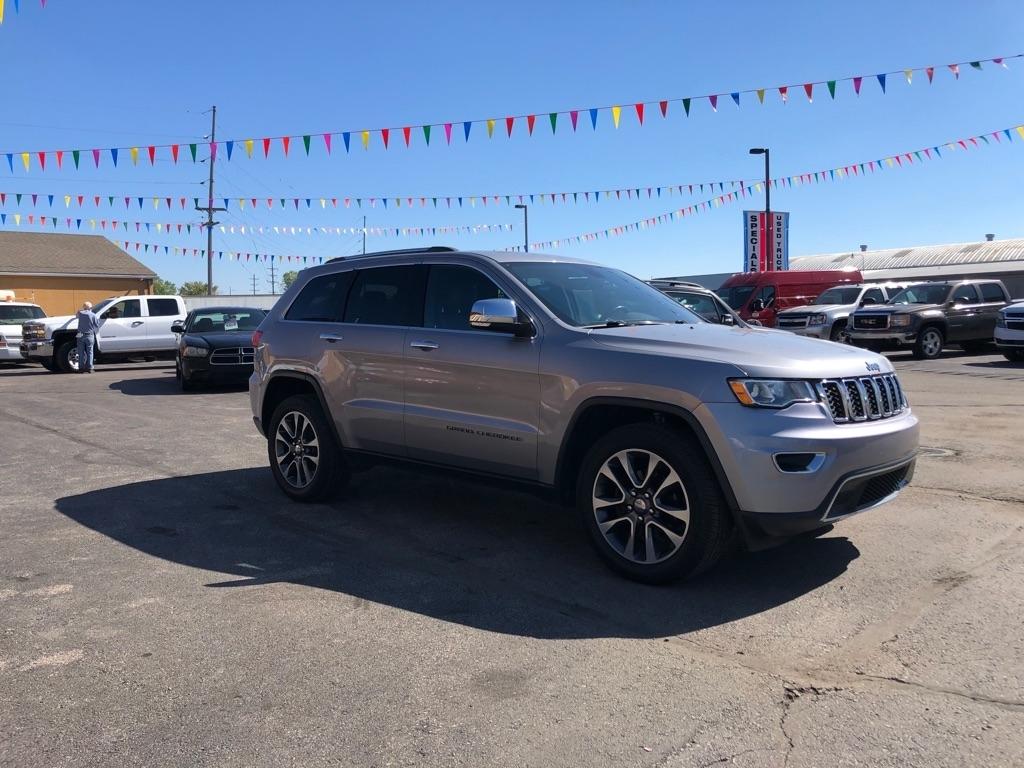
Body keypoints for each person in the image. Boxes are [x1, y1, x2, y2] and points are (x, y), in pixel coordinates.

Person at [76, 301, 100, 373]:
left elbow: (76, 315)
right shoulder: (93, 315)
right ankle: (90, 368)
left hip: (80, 335)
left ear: (84, 307)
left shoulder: (80, 313)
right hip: (89, 335)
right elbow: (97, 325)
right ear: (91, 307)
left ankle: (81, 368)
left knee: (80, 352)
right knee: (90, 352)